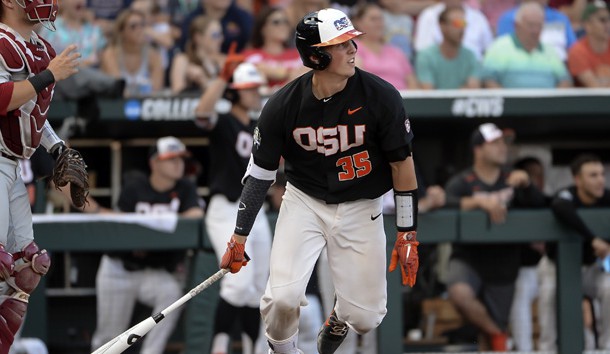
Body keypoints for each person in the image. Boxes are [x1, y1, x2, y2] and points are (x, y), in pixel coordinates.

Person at [217, 8, 420, 354]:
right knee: (282, 300)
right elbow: (260, 174)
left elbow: (402, 164)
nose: (353, 49)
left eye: (351, 41)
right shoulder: (282, 105)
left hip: (361, 204)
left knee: (367, 317)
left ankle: (338, 317)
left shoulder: (381, 96)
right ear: (316, 55)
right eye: (341, 44)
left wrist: (407, 231)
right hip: (305, 201)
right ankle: (284, 351)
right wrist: (239, 236)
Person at [0, 0, 83, 351]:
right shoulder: (2, 42)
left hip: (13, 165)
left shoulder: (40, 48)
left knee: (28, 268)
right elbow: (3, 98)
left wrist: (57, 148)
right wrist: (49, 74)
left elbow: (32, 109)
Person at [90, 136, 204, 354]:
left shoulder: (185, 188)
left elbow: (196, 215)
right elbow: (121, 227)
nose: (178, 163)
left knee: (172, 294)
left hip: (152, 271)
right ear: (155, 162)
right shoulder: (135, 186)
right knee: (109, 338)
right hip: (119, 269)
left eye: (181, 158)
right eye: (171, 159)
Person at [443, 123, 547, 351]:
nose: (502, 148)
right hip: (469, 258)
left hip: (504, 263)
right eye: (495, 143)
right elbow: (444, 202)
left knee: (491, 332)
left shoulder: (514, 178)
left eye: (504, 143)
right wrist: (477, 201)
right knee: (460, 293)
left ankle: (496, 334)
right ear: (478, 149)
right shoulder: (463, 182)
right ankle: (499, 335)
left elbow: (544, 206)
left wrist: (528, 185)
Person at [195, 62, 273, 354]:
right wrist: (221, 77)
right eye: (248, 89)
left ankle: (254, 347)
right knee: (237, 284)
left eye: (255, 89)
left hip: (257, 210)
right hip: (226, 207)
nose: (254, 94)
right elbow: (202, 113)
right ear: (235, 92)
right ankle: (220, 346)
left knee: (258, 287)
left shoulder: (259, 127)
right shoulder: (226, 120)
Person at [539, 154, 610, 350]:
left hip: (594, 265)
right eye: (593, 175)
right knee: (550, 294)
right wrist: (592, 238)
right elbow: (559, 206)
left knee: (609, 287)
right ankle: (548, 349)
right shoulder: (566, 195)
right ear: (578, 179)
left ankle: (607, 347)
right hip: (558, 265)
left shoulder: (607, 197)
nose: (600, 180)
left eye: (602, 174)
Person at [482, 2, 572, 88]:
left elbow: (565, 80)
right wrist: (506, 101)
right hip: (511, 103)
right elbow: (488, 79)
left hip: (547, 103)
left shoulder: (550, 50)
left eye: (539, 26)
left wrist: (555, 102)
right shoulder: (499, 47)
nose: (535, 30)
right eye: (531, 25)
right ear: (517, 25)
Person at [352, 2, 418, 91]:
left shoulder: (396, 51)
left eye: (381, 19)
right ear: (358, 22)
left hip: (402, 100)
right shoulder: (353, 48)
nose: (378, 24)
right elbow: (358, 80)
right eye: (373, 19)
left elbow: (412, 82)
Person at [415, 5, 481, 90]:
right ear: (442, 26)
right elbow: (428, 92)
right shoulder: (426, 57)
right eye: (457, 24)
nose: (461, 29)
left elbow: (473, 88)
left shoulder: (470, 56)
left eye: (463, 23)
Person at [567, 0, 610, 87]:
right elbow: (595, 88)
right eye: (602, 20)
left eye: (609, 20)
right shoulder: (577, 51)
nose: (608, 25)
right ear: (588, 25)